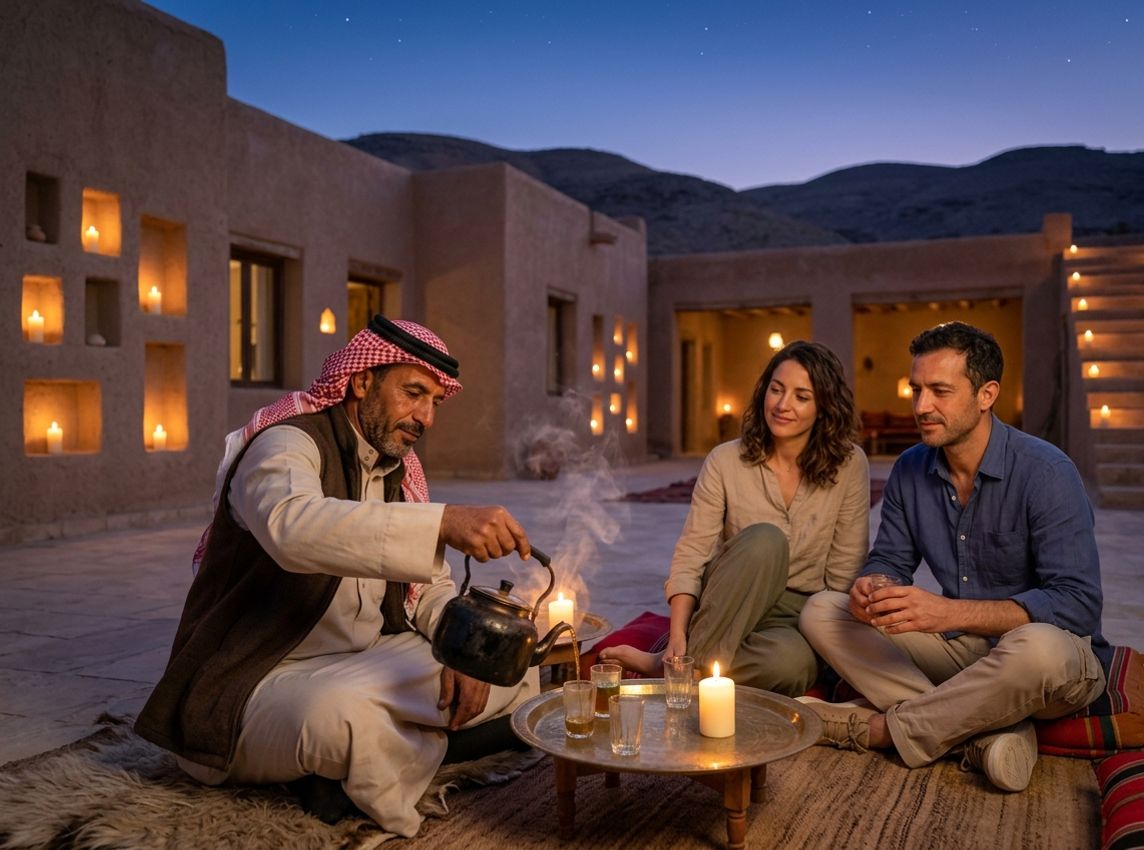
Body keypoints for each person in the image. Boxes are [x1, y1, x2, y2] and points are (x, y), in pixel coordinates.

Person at [135, 315, 539, 838]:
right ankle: (410, 749)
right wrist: (442, 521)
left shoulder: (396, 467)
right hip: (259, 676)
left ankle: (353, 770)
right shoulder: (286, 447)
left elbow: (428, 587)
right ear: (361, 380)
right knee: (339, 715)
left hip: (364, 660)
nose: (425, 417)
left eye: (435, 402)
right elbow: (293, 528)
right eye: (414, 393)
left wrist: (461, 649)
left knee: (512, 669)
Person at [798, 321, 1109, 792]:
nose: (922, 406)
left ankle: (878, 730)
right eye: (916, 389)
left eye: (940, 391)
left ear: (986, 394)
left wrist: (947, 612)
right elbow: (889, 559)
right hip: (960, 652)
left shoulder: (1047, 472)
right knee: (823, 610)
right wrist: (873, 586)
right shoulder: (909, 469)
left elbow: (1078, 604)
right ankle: (984, 736)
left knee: (1037, 646)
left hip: (1049, 661)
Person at [600, 340, 870, 696]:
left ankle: (671, 668)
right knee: (765, 541)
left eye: (801, 396)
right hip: (731, 594)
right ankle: (684, 662)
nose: (783, 405)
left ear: (824, 407)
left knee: (793, 667)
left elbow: (842, 579)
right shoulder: (725, 460)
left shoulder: (850, 464)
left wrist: (825, 643)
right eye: (776, 389)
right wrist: (678, 633)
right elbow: (693, 554)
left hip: (796, 614)